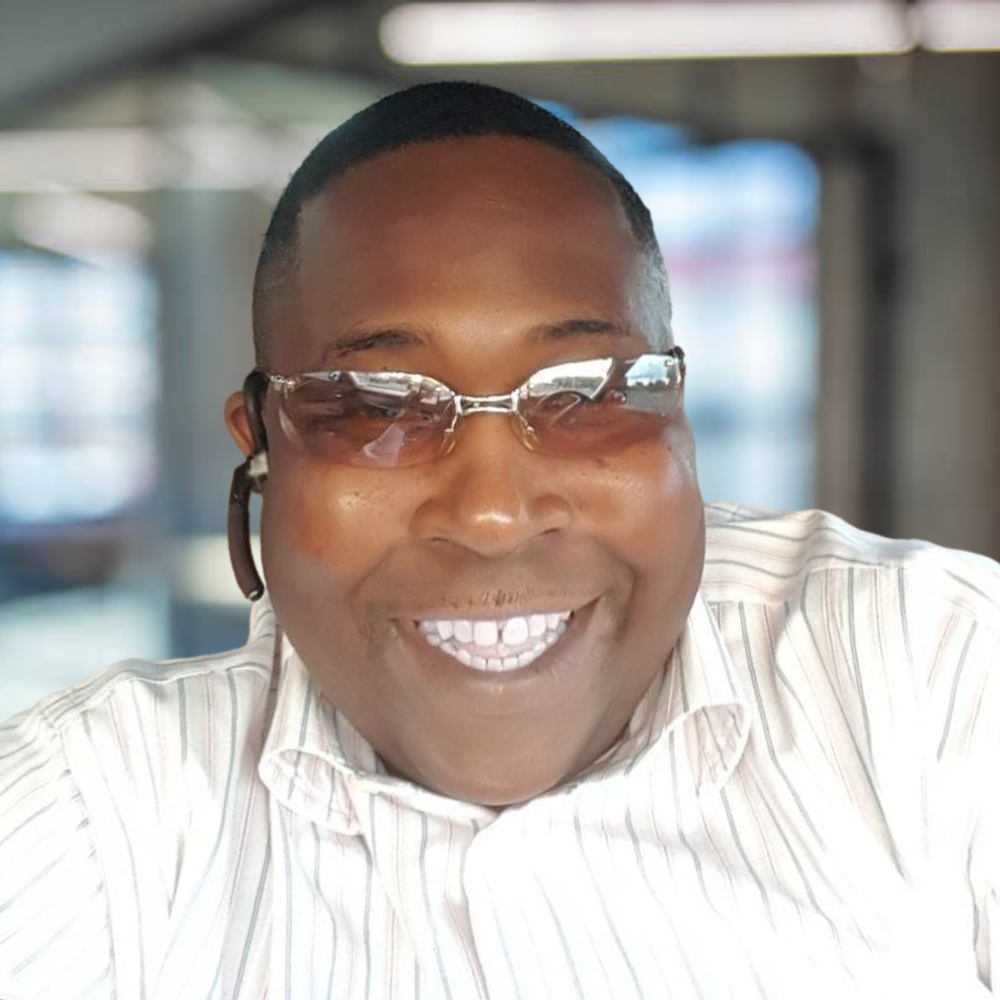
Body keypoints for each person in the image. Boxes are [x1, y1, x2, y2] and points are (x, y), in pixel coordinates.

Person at [2, 81, 999, 1000]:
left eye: (582, 395)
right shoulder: (100, 817)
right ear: (262, 448)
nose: (491, 514)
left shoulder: (932, 680)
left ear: (677, 414)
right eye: (372, 403)